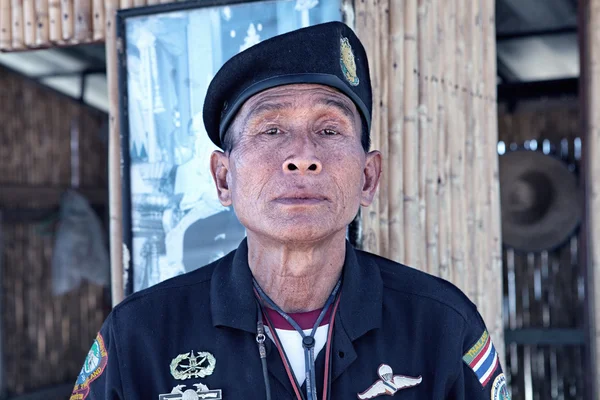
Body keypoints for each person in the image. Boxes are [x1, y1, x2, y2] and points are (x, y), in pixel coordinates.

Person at [71, 22, 510, 400]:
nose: (303, 156)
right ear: (224, 179)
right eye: (272, 128)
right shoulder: (140, 337)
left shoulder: (441, 327)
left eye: (329, 128)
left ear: (367, 178)